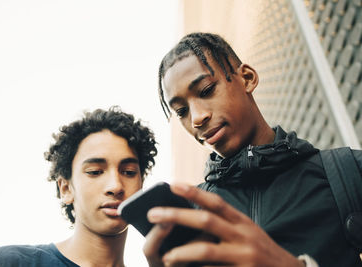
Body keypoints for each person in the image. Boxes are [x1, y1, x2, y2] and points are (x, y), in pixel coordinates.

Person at [143, 32, 362, 266]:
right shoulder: (192, 216)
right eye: (181, 111)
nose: (196, 118)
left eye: (206, 90)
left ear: (247, 78)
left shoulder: (350, 172)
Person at [0, 106, 158, 267]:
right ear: (66, 189)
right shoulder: (8, 263)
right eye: (95, 172)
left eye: (128, 172)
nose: (115, 186)